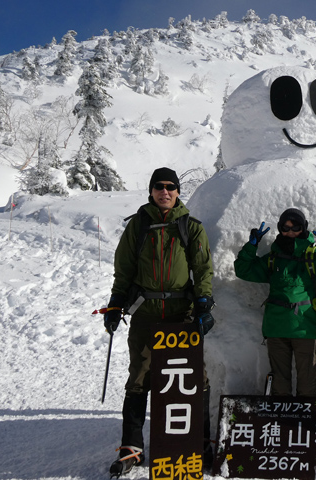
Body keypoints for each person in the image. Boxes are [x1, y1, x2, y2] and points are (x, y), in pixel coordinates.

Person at [103, 167, 215, 477]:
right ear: (151, 191)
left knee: (193, 376)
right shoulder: (137, 226)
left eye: (170, 187)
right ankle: (132, 448)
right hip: (146, 312)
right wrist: (116, 303)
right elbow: (123, 270)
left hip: (182, 312)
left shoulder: (190, 227)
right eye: (158, 187)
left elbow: (203, 268)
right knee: (139, 374)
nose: (164, 192)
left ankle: (200, 441)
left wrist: (204, 301)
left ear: (178, 191)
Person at [234, 208, 316, 397]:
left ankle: (306, 426)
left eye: (296, 227)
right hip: (276, 328)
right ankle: (283, 426)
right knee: (280, 386)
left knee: (307, 387)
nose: (290, 231)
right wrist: (251, 246)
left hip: (305, 329)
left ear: (304, 228)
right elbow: (243, 270)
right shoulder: (273, 258)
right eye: (285, 227)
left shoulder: (313, 257)